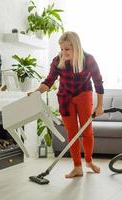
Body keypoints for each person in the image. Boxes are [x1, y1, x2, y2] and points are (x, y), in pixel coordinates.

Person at [29, 31, 104, 178]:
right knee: (72, 133)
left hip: (84, 95)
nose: (64, 52)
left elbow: (98, 82)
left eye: (67, 49)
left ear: (76, 47)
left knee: (87, 131)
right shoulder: (58, 61)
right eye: (62, 49)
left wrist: (100, 105)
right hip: (65, 97)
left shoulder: (88, 60)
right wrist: (36, 92)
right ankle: (77, 167)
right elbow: (49, 81)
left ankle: (88, 161)